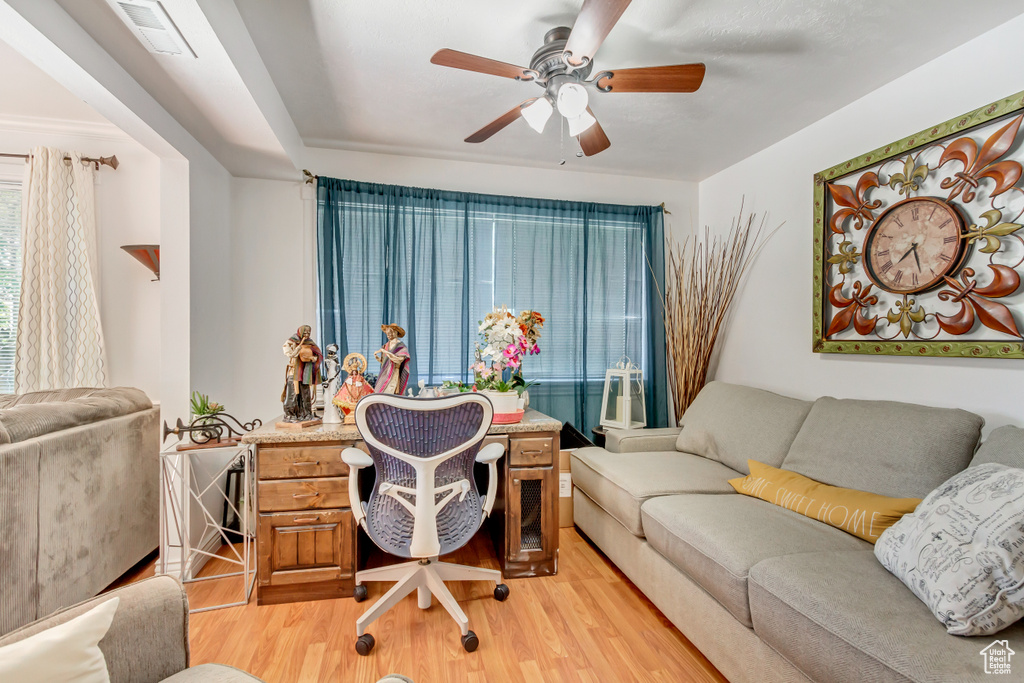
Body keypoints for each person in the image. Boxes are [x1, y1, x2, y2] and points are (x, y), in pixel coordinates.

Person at [281, 325, 322, 422]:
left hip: (306, 372)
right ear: (300, 332)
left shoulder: (310, 342)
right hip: (294, 371)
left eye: (309, 332)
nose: (307, 334)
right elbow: (290, 354)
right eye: (305, 332)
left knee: (305, 393)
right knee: (292, 393)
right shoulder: (291, 341)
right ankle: (290, 415)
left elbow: (316, 354)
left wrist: (314, 358)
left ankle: (306, 414)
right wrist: (298, 348)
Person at [333, 353, 374, 423]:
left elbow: (366, 386)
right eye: (353, 372)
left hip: (359, 393)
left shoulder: (360, 378)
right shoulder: (349, 379)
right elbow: (345, 386)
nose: (354, 373)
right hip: (351, 395)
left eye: (356, 372)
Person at [373, 323, 410, 395]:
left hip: (394, 372)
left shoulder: (401, 346)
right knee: (380, 390)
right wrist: (379, 359)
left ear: (396, 332)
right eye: (387, 334)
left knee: (390, 391)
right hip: (385, 373)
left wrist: (387, 353)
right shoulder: (386, 345)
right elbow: (385, 362)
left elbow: (399, 360)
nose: (389, 335)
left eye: (390, 333)